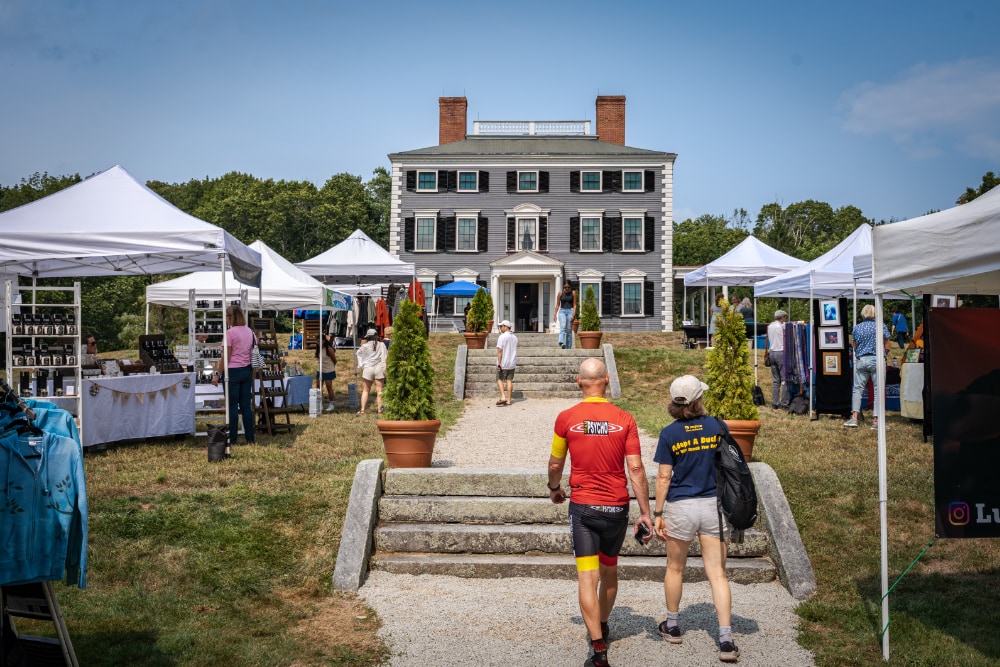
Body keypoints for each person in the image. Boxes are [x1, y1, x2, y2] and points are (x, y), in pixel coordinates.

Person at [547, 358, 652, 667]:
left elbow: (556, 463)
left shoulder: (566, 418)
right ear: (607, 380)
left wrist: (554, 487)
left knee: (586, 577)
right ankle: (603, 625)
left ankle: (598, 648)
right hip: (617, 507)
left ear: (579, 382)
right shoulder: (625, 419)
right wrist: (645, 512)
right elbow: (636, 469)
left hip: (584, 509)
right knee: (609, 571)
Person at [652, 375, 740, 663]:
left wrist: (658, 513)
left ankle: (673, 625)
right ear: (698, 399)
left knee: (675, 568)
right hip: (712, 506)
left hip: (680, 507)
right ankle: (726, 639)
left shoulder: (669, 434)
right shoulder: (717, 426)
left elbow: (664, 476)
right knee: (717, 574)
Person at [211, 305, 255, 446]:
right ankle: (250, 439)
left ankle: (233, 440)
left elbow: (226, 357)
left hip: (233, 372)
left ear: (232, 317)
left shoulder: (230, 333)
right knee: (246, 407)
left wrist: (217, 374)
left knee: (232, 407)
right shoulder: (250, 332)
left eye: (227, 316)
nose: (226, 318)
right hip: (247, 370)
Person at [844, 304, 891, 429]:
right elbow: (887, 346)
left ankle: (854, 417)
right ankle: (876, 421)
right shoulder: (881, 326)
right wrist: (883, 355)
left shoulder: (857, 328)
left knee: (857, 389)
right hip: (877, 359)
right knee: (878, 390)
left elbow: (854, 346)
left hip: (862, 360)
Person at [355, 328, 387, 415]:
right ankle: (380, 410)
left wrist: (361, 365)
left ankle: (362, 410)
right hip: (379, 367)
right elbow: (385, 356)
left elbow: (358, 353)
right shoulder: (381, 344)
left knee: (365, 390)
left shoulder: (364, 346)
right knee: (379, 390)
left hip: (368, 368)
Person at [767, 310, 790, 410]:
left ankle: (775, 403)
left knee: (776, 380)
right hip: (781, 352)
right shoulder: (782, 326)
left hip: (772, 352)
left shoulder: (770, 326)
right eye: (785, 317)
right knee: (785, 379)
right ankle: (784, 403)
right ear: (782, 317)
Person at [495, 320, 518, 406]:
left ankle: (503, 397)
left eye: (501, 326)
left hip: (503, 362)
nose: (500, 328)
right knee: (509, 380)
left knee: (499, 379)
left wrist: (499, 363)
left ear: (506, 327)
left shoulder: (502, 337)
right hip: (512, 362)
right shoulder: (515, 337)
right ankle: (508, 400)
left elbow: (500, 350)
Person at [316, 333, 337, 413]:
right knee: (318, 387)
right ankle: (319, 403)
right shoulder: (318, 348)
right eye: (317, 342)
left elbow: (335, 360)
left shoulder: (329, 349)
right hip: (320, 369)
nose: (318, 343)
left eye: (319, 341)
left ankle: (331, 404)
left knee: (329, 387)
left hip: (328, 369)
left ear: (324, 341)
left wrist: (332, 367)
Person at [554, 281, 576, 350]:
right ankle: (561, 342)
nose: (566, 288)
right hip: (562, 311)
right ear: (563, 287)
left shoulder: (573, 293)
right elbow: (557, 305)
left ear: (570, 287)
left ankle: (568, 348)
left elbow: (575, 305)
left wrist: (573, 314)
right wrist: (555, 314)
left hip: (570, 311)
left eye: (568, 287)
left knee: (569, 330)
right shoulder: (560, 293)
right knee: (563, 326)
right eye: (565, 287)